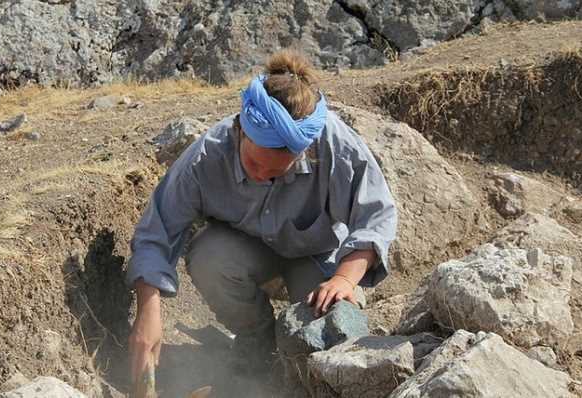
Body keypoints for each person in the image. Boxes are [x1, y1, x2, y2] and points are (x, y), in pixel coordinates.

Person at [125, 50, 397, 383]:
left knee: (327, 331)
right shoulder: (207, 156)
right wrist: (148, 310)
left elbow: (376, 217)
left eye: (275, 171)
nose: (261, 175)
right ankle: (256, 343)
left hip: (314, 258)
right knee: (209, 256)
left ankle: (299, 373)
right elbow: (157, 232)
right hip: (244, 254)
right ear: (240, 130)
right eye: (253, 164)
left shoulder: (334, 144)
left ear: (303, 151)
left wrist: (344, 279)